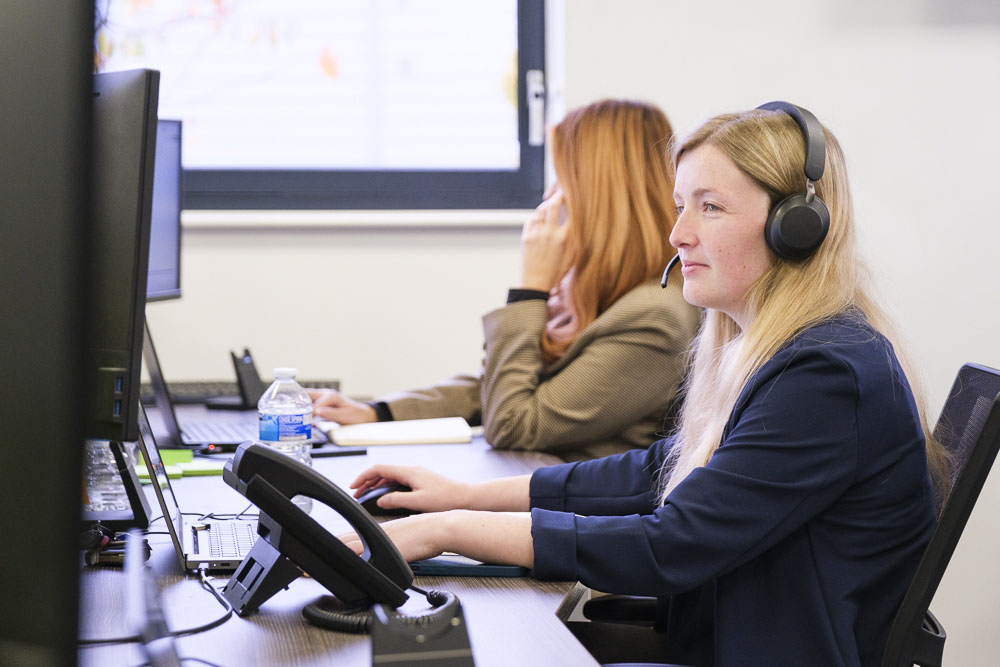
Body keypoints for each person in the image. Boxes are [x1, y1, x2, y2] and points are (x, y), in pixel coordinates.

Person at [340, 103, 950, 666]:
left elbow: (672, 545)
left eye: (709, 206)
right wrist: (463, 497)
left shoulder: (827, 374)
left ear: (796, 227)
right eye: (681, 205)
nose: (678, 233)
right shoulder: (783, 349)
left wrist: (445, 532)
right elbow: (658, 468)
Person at [311, 100, 700, 462]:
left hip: (574, 515)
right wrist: (375, 413)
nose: (548, 197)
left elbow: (512, 423)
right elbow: (500, 383)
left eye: (561, 181)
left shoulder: (654, 316)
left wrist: (530, 289)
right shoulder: (617, 292)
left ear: (601, 196)